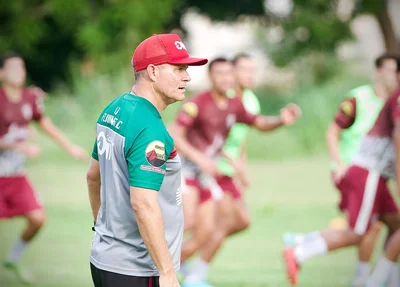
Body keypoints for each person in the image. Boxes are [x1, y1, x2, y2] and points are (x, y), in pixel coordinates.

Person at [86, 33, 208, 287]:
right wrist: (167, 271)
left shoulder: (114, 108)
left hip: (105, 259)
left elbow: (92, 176)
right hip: (139, 269)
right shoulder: (151, 129)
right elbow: (143, 204)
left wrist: (105, 232)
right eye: (179, 68)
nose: (187, 76)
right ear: (152, 71)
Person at [168, 57, 301, 287]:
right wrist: (200, 158)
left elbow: (259, 123)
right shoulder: (197, 103)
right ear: (210, 77)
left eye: (229, 74)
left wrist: (280, 120)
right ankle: (153, 269)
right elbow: (173, 134)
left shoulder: (235, 104)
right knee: (188, 222)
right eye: (220, 74)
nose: (225, 78)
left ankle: (181, 274)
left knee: (206, 232)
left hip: (206, 176)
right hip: (185, 171)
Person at [282, 53, 399, 287]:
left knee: (393, 224)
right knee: (361, 231)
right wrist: (339, 165)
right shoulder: (362, 97)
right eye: (387, 70)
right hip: (363, 172)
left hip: (374, 175)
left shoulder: (391, 98)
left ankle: (381, 279)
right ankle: (301, 252)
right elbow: (333, 131)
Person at [0, 52, 88, 283]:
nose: (19, 72)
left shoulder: (30, 98)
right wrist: (19, 147)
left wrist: (69, 147)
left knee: (38, 219)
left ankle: (13, 257)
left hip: (16, 176)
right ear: (1, 73)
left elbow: (44, 124)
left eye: (21, 67)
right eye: (12, 68)